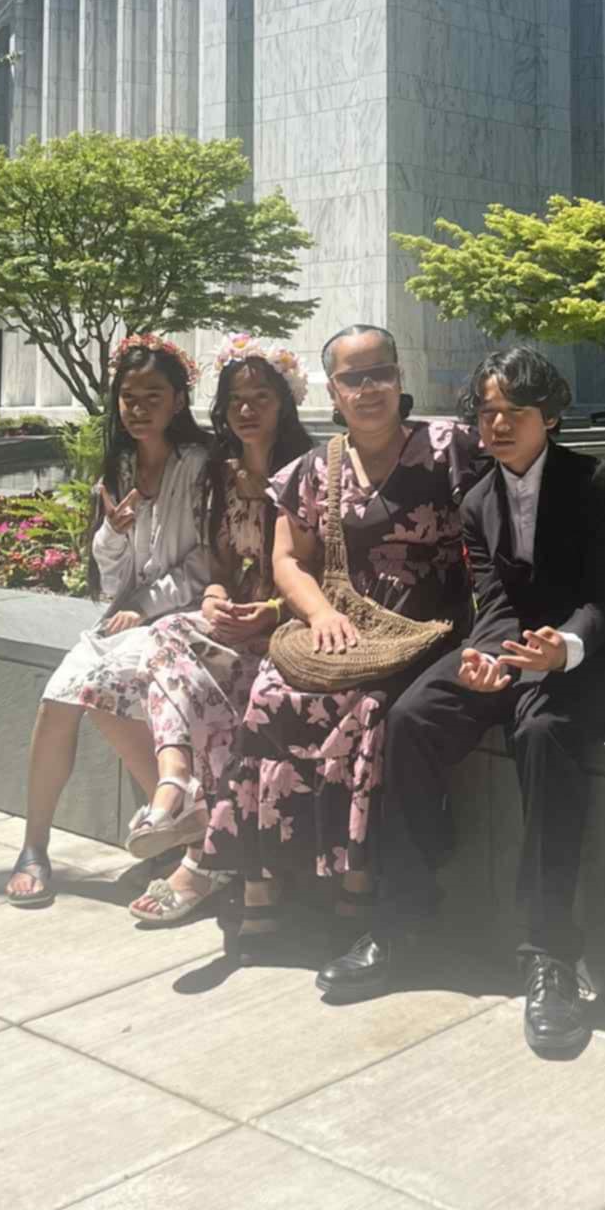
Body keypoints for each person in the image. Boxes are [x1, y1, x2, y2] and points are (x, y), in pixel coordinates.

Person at [317, 346, 605, 1059]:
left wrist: (561, 648)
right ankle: (406, 916)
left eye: (513, 412)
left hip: (592, 654)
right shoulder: (477, 499)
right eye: (487, 411)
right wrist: (484, 656)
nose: (495, 424)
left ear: (548, 416)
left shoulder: (593, 484)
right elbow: (495, 602)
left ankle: (550, 953)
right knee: (412, 715)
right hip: (515, 648)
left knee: (545, 731)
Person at [200, 324, 486, 936]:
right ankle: (263, 880)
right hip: (344, 626)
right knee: (271, 696)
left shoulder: (448, 446)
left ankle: (355, 883)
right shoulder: (312, 470)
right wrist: (320, 613)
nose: (369, 388)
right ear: (333, 390)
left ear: (399, 378)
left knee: (368, 708)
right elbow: (287, 561)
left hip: (425, 628)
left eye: (380, 372)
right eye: (353, 378)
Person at [5, 337, 212, 908]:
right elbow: (110, 581)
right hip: (125, 617)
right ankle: (34, 846)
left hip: (182, 618)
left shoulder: (197, 465)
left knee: (98, 691)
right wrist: (113, 532)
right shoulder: (119, 466)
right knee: (57, 700)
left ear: (178, 401)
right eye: (128, 397)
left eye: (153, 395)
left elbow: (207, 563)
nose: (138, 407)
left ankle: (179, 825)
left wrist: (144, 606)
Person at [126, 339, 313, 925]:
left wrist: (273, 613)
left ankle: (204, 859)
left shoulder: (310, 474)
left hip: (289, 633)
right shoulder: (221, 476)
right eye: (237, 400)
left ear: (284, 404)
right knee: (165, 637)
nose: (247, 410)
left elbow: (330, 577)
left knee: (228, 698)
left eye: (261, 397)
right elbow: (221, 568)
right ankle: (175, 781)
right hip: (235, 628)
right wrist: (213, 598)